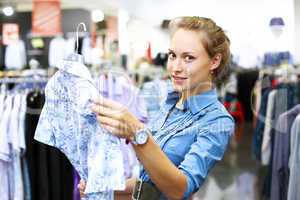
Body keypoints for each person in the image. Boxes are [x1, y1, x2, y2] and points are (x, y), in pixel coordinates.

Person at [78, 16, 235, 200]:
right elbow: (149, 182)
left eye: (188, 58)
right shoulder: (170, 103)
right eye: (172, 55)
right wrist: (105, 189)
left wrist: (137, 133)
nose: (175, 67)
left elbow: (181, 189)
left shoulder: (216, 120)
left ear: (214, 61)